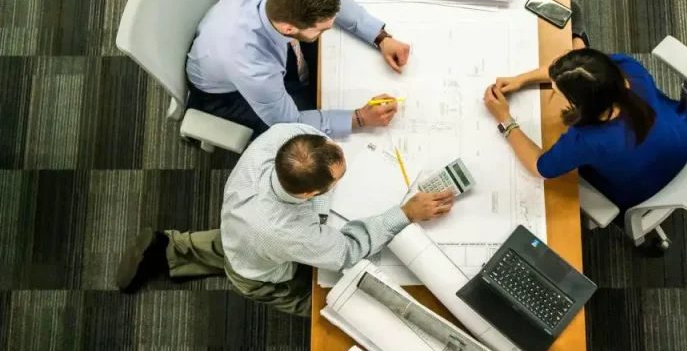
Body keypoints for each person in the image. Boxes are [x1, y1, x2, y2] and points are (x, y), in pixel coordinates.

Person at [116, 123, 455, 316]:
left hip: (240, 225)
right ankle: (175, 254)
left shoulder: (284, 138)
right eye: (337, 181)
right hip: (261, 272)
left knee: (234, 243)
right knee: (327, 304)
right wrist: (405, 213)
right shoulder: (288, 232)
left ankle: (169, 248)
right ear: (310, 194)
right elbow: (347, 251)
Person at [483, 6, 687, 243]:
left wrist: (505, 119)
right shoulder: (628, 70)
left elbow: (539, 166)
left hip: (646, 190)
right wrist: (520, 80)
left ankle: (578, 39)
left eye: (558, 92)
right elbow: (583, 71)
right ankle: (579, 40)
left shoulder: (588, 140)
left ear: (579, 103)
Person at [186, 0, 412, 137]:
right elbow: (289, 122)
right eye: (322, 29)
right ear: (288, 29)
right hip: (225, 94)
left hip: (226, 38)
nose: (328, 30)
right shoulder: (253, 66)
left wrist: (380, 37)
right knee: (303, 135)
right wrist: (360, 118)